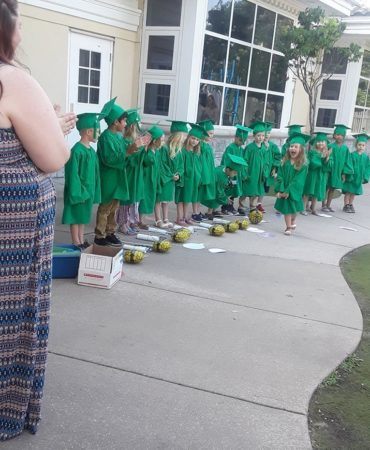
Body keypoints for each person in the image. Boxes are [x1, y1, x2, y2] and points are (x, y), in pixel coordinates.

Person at [0, 0, 76, 440]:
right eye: (20, 25)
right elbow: (51, 157)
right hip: (12, 227)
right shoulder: (12, 80)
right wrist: (57, 129)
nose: (22, 35)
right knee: (10, 316)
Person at [94, 98, 149, 246]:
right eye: (124, 121)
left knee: (114, 207)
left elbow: (127, 153)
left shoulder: (118, 137)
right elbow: (109, 159)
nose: (125, 124)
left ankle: (110, 232)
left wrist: (136, 148)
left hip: (118, 177)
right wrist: (129, 151)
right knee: (105, 207)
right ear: (115, 122)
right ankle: (100, 236)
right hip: (109, 177)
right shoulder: (105, 138)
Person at [62, 112, 102, 248]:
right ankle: (76, 242)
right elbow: (72, 174)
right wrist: (78, 192)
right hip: (78, 191)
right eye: (97, 131)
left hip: (88, 191)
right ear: (89, 131)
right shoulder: (77, 151)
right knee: (75, 216)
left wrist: (94, 191)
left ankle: (81, 240)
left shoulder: (91, 151)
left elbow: (96, 175)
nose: (99, 133)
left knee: (83, 217)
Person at [274, 133, 309, 235]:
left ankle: (293, 220)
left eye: (296, 147)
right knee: (287, 210)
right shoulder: (284, 162)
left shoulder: (303, 165)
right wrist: (281, 189)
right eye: (291, 146)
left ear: (301, 150)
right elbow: (280, 176)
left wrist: (289, 190)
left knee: (295, 210)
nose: (292, 148)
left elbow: (298, 180)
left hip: (294, 190)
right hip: (284, 189)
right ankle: (288, 227)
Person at [116, 109, 143, 235]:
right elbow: (127, 158)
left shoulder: (133, 141)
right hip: (127, 174)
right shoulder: (125, 141)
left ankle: (130, 221)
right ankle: (122, 223)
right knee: (125, 200)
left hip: (134, 174)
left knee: (132, 199)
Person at [175, 124, 208, 226]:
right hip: (184, 179)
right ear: (188, 137)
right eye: (193, 138)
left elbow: (198, 168)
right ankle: (179, 218)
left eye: (197, 140)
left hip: (192, 180)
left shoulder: (196, 153)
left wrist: (198, 179)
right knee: (181, 199)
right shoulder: (182, 151)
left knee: (188, 199)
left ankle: (185, 217)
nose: (195, 141)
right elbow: (180, 166)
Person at [156, 121, 187, 227]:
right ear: (176, 136)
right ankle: (158, 220)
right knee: (159, 200)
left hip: (172, 179)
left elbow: (181, 166)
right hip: (164, 179)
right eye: (183, 137)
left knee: (166, 200)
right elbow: (162, 164)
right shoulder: (164, 148)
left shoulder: (179, 150)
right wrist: (170, 175)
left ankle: (166, 219)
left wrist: (178, 174)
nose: (184, 139)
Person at [322, 124, 353, 212]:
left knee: (332, 189)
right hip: (329, 171)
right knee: (326, 188)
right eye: (337, 134)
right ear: (334, 135)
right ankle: (323, 205)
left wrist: (344, 173)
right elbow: (325, 158)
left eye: (341, 135)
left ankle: (328, 205)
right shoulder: (331, 146)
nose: (339, 137)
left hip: (338, 172)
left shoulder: (345, 149)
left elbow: (347, 162)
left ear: (344, 137)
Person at [221, 124, 251, 215]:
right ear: (235, 137)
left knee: (234, 190)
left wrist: (243, 173)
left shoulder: (241, 149)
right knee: (228, 190)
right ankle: (225, 207)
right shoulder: (230, 148)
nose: (242, 142)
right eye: (240, 140)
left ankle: (231, 206)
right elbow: (226, 160)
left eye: (243, 141)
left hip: (237, 174)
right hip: (230, 173)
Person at [139, 125, 164, 228]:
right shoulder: (148, 152)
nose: (163, 142)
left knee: (150, 199)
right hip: (146, 179)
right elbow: (147, 162)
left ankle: (141, 219)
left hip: (154, 179)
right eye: (161, 140)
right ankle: (139, 220)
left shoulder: (157, 152)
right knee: (143, 199)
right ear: (154, 141)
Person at [302, 132, 333, 215]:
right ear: (315, 143)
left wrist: (327, 158)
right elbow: (312, 163)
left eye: (323, 141)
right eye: (318, 141)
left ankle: (313, 208)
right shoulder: (312, 152)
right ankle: (303, 208)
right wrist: (322, 158)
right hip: (312, 174)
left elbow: (330, 164)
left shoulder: (327, 153)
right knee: (308, 191)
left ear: (326, 143)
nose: (321, 143)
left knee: (316, 191)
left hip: (321, 175)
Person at [241, 121, 268, 212]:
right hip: (250, 173)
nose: (261, 138)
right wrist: (244, 173)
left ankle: (252, 207)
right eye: (258, 135)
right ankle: (241, 206)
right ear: (254, 136)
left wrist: (265, 172)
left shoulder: (264, 148)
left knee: (256, 192)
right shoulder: (249, 148)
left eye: (263, 136)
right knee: (246, 190)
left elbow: (266, 162)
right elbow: (244, 161)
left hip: (259, 175)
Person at [193, 120, 216, 221]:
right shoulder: (200, 145)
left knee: (200, 194)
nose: (212, 136)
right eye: (210, 133)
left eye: (212, 134)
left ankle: (197, 211)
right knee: (197, 194)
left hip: (207, 173)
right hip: (202, 174)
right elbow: (201, 162)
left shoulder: (206, 145)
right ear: (204, 132)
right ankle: (195, 212)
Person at [256, 122, 281, 213]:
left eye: (269, 133)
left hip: (269, 171)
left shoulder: (273, 146)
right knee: (257, 186)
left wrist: (274, 168)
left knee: (264, 188)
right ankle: (254, 204)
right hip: (259, 170)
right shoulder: (259, 145)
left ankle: (259, 203)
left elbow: (278, 157)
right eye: (265, 133)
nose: (267, 135)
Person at [342, 133, 370, 213]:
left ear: (365, 146)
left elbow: (368, 167)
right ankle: (346, 205)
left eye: (363, 145)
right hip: (351, 177)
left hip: (359, 178)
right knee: (348, 192)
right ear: (356, 145)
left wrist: (365, 177)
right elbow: (348, 165)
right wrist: (348, 174)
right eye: (359, 145)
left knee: (353, 193)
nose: (361, 147)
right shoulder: (352, 155)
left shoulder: (365, 157)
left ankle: (350, 204)